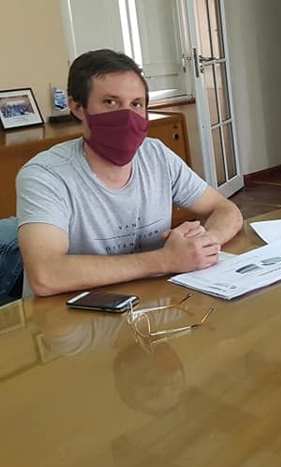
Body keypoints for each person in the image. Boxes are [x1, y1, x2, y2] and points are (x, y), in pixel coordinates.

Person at [16, 49, 243, 296]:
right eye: (110, 102)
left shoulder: (156, 154)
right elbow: (46, 275)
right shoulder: (45, 175)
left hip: (147, 303)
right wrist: (165, 260)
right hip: (65, 313)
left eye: (136, 104)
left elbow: (225, 209)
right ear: (78, 108)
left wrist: (205, 243)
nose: (127, 117)